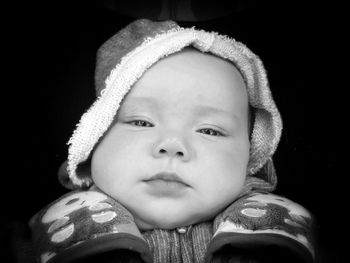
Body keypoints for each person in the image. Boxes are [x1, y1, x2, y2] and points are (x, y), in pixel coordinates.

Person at [29, 19, 316, 263]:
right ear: (92, 144)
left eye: (210, 131)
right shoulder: (39, 238)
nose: (172, 145)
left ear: (251, 159)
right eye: (142, 122)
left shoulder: (285, 242)